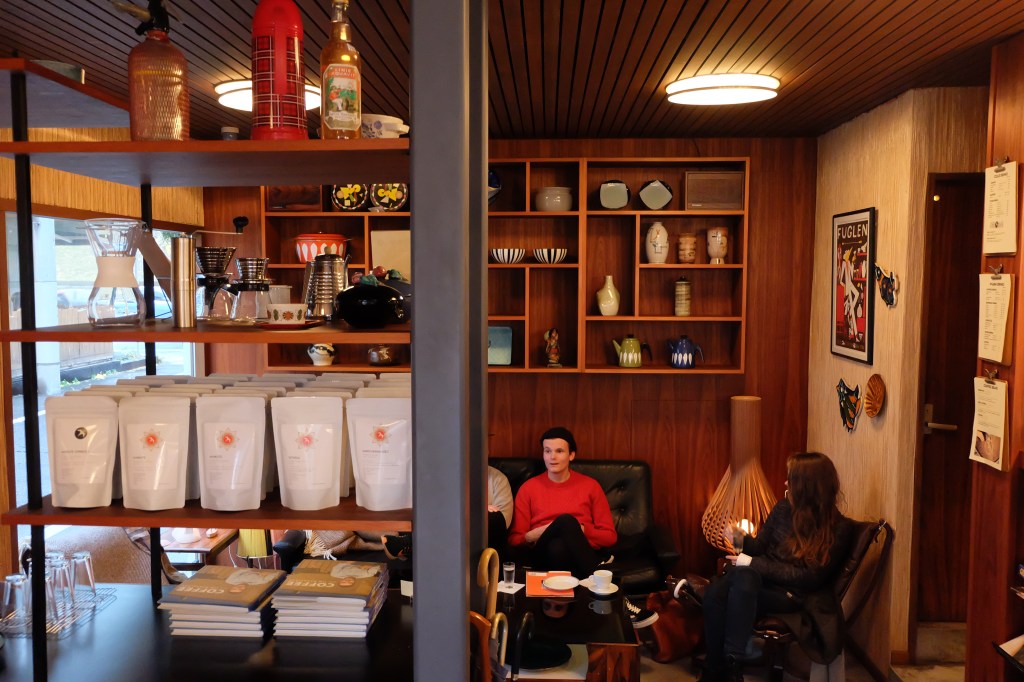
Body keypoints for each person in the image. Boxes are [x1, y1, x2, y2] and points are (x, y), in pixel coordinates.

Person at [694, 452, 855, 682]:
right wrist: (738, 538)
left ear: (806, 486)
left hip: (789, 595)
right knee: (727, 586)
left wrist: (752, 563)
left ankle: (717, 668)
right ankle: (730, 666)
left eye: (791, 478)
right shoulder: (782, 509)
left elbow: (809, 578)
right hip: (756, 583)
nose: (785, 483)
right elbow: (759, 546)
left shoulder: (839, 529)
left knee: (722, 588)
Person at [382, 465, 513, 561]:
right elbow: (434, 511)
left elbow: (503, 521)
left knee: (493, 518)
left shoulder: (498, 479)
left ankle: (412, 543)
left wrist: (476, 512)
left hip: (483, 539)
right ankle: (413, 543)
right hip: (446, 540)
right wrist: (475, 510)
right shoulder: (444, 476)